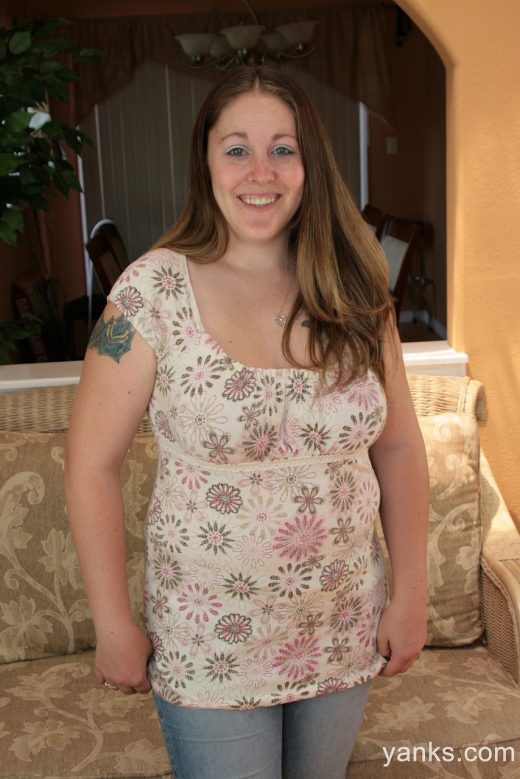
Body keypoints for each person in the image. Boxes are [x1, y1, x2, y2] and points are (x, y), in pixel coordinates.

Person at [65, 65, 429, 779]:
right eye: (236, 149)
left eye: (282, 149)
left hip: (341, 622)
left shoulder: (358, 287)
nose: (260, 173)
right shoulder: (149, 293)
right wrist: (113, 624)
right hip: (209, 640)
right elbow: (90, 464)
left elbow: (399, 447)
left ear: (309, 164)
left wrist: (412, 594)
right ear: (205, 163)